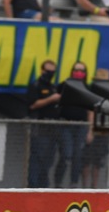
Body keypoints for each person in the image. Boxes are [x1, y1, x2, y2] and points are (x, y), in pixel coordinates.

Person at [55, 62, 94, 188]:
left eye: (81, 70)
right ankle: (58, 183)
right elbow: (55, 97)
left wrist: (90, 130)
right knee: (67, 154)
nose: (79, 72)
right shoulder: (65, 85)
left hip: (81, 126)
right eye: (76, 70)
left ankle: (74, 184)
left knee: (78, 156)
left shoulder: (87, 88)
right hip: (66, 124)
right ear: (72, 71)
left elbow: (91, 111)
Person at [26, 59, 61, 188]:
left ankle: (44, 186)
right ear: (42, 70)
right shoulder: (36, 86)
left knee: (48, 159)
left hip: (53, 128)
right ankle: (33, 186)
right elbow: (33, 105)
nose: (50, 74)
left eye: (53, 72)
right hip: (39, 126)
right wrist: (51, 99)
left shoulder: (53, 87)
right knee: (37, 157)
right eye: (48, 71)